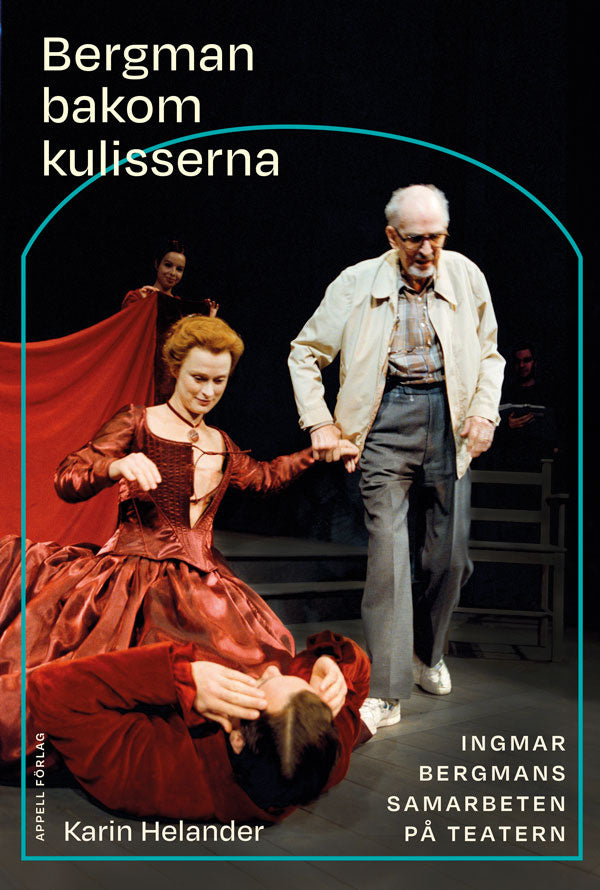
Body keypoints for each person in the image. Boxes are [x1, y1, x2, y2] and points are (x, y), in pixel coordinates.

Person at [0, 315, 359, 768]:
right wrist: (114, 467)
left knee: (250, 677)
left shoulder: (220, 441)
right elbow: (67, 477)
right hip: (132, 579)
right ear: (175, 370)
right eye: (198, 378)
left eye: (219, 381)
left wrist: (317, 453)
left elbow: (265, 478)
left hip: (204, 583)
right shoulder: (138, 422)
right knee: (127, 683)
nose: (207, 391)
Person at [288, 184, 504, 733]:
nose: (426, 249)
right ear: (391, 236)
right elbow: (305, 352)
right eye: (414, 239)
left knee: (449, 559)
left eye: (436, 237)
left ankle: (427, 653)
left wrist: (485, 413)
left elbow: (489, 354)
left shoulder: (466, 274)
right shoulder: (357, 281)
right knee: (387, 557)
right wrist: (320, 422)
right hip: (384, 422)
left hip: (451, 421)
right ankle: (386, 689)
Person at [27, 629, 370, 820]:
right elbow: (359, 681)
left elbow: (51, 692)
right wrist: (327, 664)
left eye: (261, 685)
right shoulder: (320, 758)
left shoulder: (151, 770)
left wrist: (179, 678)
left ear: (238, 738)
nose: (269, 669)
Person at [121, 238, 219, 316]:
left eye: (179, 269)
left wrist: (209, 320)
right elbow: (126, 326)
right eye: (168, 265)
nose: (173, 273)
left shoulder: (179, 306)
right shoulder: (136, 296)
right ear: (157, 264)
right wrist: (143, 303)